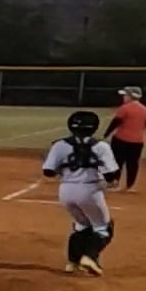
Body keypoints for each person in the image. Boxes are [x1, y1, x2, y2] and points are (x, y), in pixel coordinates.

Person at [42, 110, 120, 275]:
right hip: (90, 190)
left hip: (66, 191)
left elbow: (48, 171)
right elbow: (111, 173)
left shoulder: (59, 145)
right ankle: (90, 257)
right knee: (103, 227)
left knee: (82, 225)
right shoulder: (101, 146)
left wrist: (65, 166)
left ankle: (73, 262)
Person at [103, 86, 144, 192]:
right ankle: (130, 186)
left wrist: (106, 134)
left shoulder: (125, 108)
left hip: (121, 140)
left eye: (126, 95)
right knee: (133, 164)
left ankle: (115, 183)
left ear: (131, 96)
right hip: (137, 142)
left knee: (117, 162)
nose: (124, 97)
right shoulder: (144, 109)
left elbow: (115, 122)